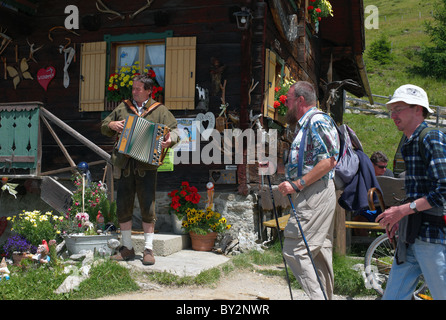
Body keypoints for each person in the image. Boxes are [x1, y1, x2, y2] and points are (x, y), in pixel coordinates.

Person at [376, 84, 446, 300]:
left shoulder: (430, 137)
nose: (393, 115)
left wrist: (403, 211)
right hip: (413, 237)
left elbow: (443, 189)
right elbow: (418, 191)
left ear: (418, 109)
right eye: (391, 110)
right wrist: (402, 217)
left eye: (399, 108)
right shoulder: (409, 142)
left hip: (431, 239)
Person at [101, 74, 179, 265]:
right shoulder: (123, 107)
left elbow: (175, 130)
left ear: (148, 91)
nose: (134, 92)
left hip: (147, 166)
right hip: (125, 165)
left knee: (148, 206)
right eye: (133, 88)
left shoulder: (159, 110)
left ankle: (148, 250)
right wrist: (112, 124)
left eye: (138, 89)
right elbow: (104, 126)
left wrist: (170, 139)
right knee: (123, 206)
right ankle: (127, 248)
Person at [277, 81, 340, 300]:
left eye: (288, 100)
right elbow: (311, 162)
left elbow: (330, 161)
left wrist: (297, 184)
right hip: (316, 192)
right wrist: (280, 170)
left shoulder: (317, 121)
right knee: (319, 252)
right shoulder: (306, 125)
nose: (286, 104)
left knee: (295, 248)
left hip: (315, 192)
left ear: (300, 100)